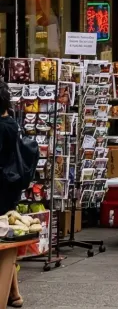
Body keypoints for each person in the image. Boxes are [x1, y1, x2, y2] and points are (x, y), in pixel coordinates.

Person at [0, 87, 25, 307]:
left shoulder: (2, 127)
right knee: (6, 240)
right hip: (10, 187)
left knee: (5, 245)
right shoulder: (12, 124)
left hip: (2, 187)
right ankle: (14, 295)